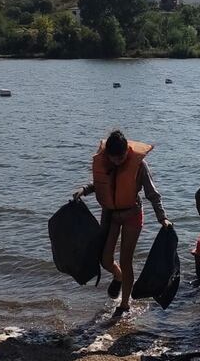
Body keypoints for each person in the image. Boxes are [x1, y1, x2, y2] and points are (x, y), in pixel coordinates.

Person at [72, 129, 172, 316]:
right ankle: (118, 277)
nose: (117, 161)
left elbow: (152, 194)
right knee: (105, 259)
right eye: (113, 158)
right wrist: (84, 190)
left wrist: (162, 217)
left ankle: (124, 304)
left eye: (121, 158)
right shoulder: (106, 163)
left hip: (132, 214)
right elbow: (100, 184)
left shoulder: (140, 166)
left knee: (126, 260)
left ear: (127, 150)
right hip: (110, 214)